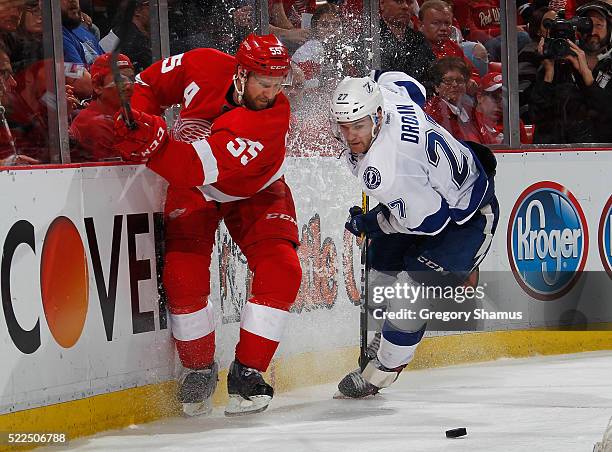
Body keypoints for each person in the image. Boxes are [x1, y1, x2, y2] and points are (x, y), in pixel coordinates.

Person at [113, 34, 302, 417]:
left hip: (255, 190)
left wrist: (152, 143)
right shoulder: (202, 63)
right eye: (265, 84)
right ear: (241, 73)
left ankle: (248, 372)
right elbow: (148, 83)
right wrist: (139, 117)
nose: (272, 93)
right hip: (195, 189)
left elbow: (190, 166)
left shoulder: (270, 118)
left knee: (282, 269)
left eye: (279, 85)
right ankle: (198, 366)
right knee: (183, 275)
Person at [329, 72, 498, 397]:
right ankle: (384, 339)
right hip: (430, 193)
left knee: (409, 291)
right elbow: (410, 86)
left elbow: (431, 222)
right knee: (380, 277)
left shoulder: (387, 169)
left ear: (378, 115)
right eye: (344, 126)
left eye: (359, 126)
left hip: (467, 218)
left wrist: (373, 224)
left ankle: (382, 371)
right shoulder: (388, 94)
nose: (351, 135)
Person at [529, 0, 612, 143]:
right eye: (587, 25)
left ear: (610, 28)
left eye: (598, 25)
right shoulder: (557, 62)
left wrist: (586, 76)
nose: (592, 32)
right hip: (557, 154)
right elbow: (536, 115)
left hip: (602, 156)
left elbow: (607, 113)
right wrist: (549, 72)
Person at [70, 53, 134, 161]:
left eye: (131, 79)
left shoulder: (119, 118)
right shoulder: (97, 124)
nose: (128, 86)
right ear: (97, 86)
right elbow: (118, 174)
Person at [424, 56, 481, 141]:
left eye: (459, 80)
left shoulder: (469, 110)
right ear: (437, 87)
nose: (454, 85)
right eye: (448, 81)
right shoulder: (432, 113)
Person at [379, 0, 436, 85]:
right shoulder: (369, 39)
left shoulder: (419, 39)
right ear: (382, 3)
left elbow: (433, 77)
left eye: (409, 2)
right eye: (399, 1)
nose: (405, 6)